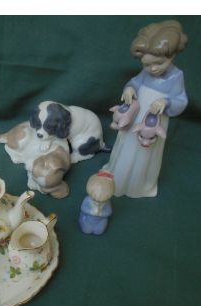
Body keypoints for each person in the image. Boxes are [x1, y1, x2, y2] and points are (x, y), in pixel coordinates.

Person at [104, 20, 188, 198]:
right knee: (127, 145)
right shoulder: (146, 72)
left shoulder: (176, 76)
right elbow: (136, 81)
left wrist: (166, 102)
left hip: (152, 122)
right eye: (147, 65)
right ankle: (117, 174)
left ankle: (138, 184)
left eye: (158, 63)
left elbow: (180, 100)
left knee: (144, 153)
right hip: (135, 117)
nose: (153, 69)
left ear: (171, 56)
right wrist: (129, 88)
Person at [78, 171, 114, 235]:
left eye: (103, 201)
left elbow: (109, 212)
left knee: (99, 231)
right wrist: (91, 212)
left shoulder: (107, 203)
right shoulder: (87, 200)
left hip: (100, 220)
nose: (98, 202)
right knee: (86, 230)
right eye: (94, 199)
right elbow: (83, 208)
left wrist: (101, 213)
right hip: (88, 219)